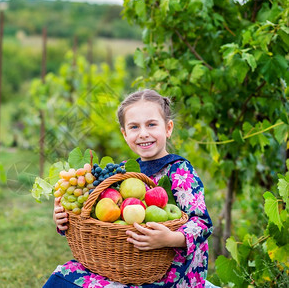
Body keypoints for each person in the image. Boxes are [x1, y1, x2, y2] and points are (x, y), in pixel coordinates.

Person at [44, 89, 214, 287]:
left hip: (169, 270)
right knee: (62, 276)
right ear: (125, 134)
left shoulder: (179, 170)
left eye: (151, 124)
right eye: (134, 127)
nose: (143, 133)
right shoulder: (124, 171)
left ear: (168, 128)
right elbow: (99, 218)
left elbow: (202, 223)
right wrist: (64, 220)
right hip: (125, 263)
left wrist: (169, 238)